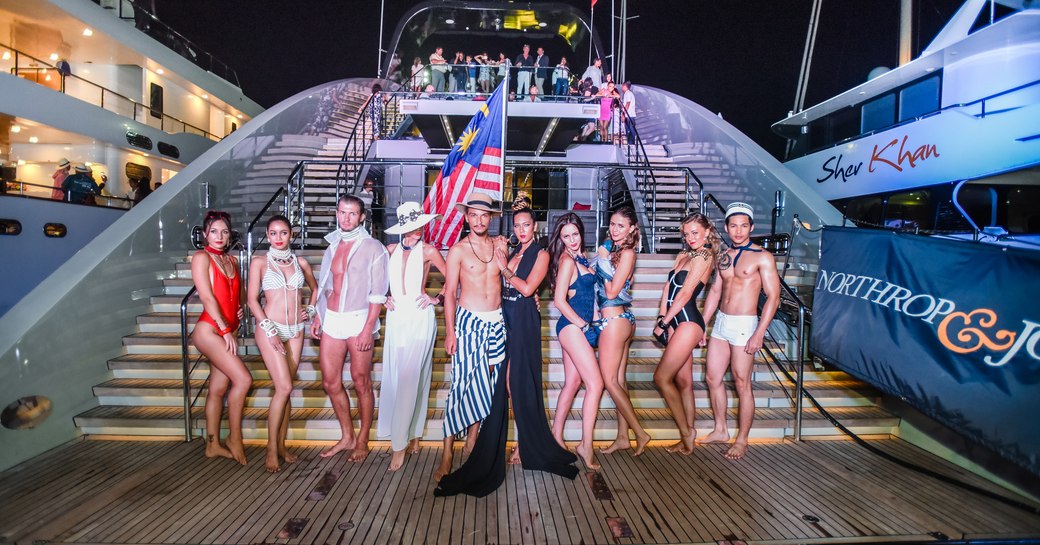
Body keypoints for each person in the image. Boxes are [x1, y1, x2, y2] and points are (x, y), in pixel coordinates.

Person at [433, 192, 509, 493]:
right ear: (466, 217)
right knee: (461, 385)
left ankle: (473, 439)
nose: (479, 220)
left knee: (488, 385)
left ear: (490, 217)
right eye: (473, 215)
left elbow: (513, 279)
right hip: (469, 323)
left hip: (496, 323)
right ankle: (447, 450)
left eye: (484, 215)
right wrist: (450, 332)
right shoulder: (458, 251)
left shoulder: (499, 246)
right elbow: (449, 293)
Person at [498, 195, 577, 475]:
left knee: (517, 382)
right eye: (517, 225)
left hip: (523, 318)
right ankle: (522, 438)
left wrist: (504, 270)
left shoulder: (542, 254)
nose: (521, 230)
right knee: (508, 382)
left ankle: (524, 442)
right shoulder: (510, 251)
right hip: (505, 315)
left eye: (526, 225)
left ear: (535, 226)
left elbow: (529, 288)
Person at [310, 195, 389, 463]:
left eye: (352, 214)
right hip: (332, 318)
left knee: (361, 381)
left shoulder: (373, 247)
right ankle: (347, 436)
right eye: (342, 213)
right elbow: (326, 285)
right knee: (330, 382)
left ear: (362, 217)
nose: (346, 218)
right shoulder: (332, 247)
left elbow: (378, 293)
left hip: (358, 319)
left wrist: (368, 328)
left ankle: (363, 438)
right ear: (336, 214)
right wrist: (319, 316)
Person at [701, 202, 781, 460]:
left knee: (742, 383)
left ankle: (742, 439)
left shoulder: (762, 257)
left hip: (745, 325)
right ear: (726, 227)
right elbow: (715, 291)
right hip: (722, 323)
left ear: (752, 227)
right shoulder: (723, 255)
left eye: (743, 225)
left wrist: (759, 332)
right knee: (713, 378)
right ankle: (721, 429)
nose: (738, 231)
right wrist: (703, 323)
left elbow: (773, 297)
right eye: (733, 225)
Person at [377, 202, 447, 472]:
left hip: (420, 316)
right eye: (410, 226)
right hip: (396, 318)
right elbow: (377, 281)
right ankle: (414, 433)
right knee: (401, 376)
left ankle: (399, 446)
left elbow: (453, 276)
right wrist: (384, 298)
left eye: (419, 224)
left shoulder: (429, 250)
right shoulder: (390, 250)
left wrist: (436, 298)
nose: (416, 230)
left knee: (410, 376)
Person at [246, 215, 318, 472]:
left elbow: (315, 288)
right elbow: (252, 300)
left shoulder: (300, 262)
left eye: (283, 233)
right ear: (267, 234)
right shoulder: (260, 263)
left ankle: (281, 444)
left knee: (286, 391)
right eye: (273, 233)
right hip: (270, 329)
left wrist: (309, 310)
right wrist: (269, 329)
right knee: (284, 387)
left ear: (291, 234)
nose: (278, 238)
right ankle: (270, 448)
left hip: (296, 330)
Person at [652, 213, 719, 455]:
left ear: (707, 232)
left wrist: (665, 322)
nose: (690, 237)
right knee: (684, 382)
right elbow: (668, 289)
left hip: (689, 321)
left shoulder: (704, 255)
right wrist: (662, 319)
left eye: (695, 233)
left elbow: (685, 295)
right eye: (687, 233)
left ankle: (686, 432)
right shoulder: (684, 256)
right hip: (675, 321)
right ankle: (687, 436)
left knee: (661, 377)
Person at [191, 210, 250, 464]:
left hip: (228, 329)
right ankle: (234, 437)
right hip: (210, 331)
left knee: (218, 389)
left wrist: (240, 308)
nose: (219, 236)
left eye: (224, 232)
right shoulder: (201, 257)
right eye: (214, 231)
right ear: (205, 234)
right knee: (244, 380)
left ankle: (212, 445)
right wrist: (226, 330)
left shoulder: (233, 261)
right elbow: (206, 296)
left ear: (229, 236)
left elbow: (239, 294)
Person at [548, 213, 604, 470]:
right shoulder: (567, 261)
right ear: (560, 239)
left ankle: (555, 435)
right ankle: (586, 445)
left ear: (582, 233)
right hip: (571, 326)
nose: (571, 240)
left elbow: (588, 296)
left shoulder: (581, 258)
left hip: (579, 325)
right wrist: (583, 325)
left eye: (575, 234)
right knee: (596, 384)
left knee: (572, 382)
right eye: (566, 236)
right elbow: (559, 300)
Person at [597, 206, 652, 456]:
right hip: (622, 319)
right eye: (612, 224)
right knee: (619, 381)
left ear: (631, 229)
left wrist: (601, 259)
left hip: (615, 321)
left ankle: (640, 432)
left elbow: (611, 292)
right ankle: (622, 437)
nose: (614, 229)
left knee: (609, 381)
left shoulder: (627, 253)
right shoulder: (617, 250)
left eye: (620, 225)